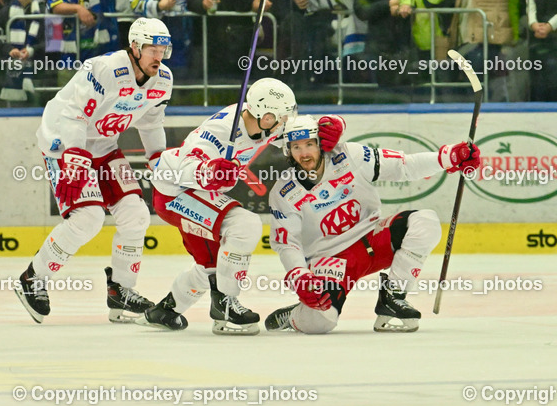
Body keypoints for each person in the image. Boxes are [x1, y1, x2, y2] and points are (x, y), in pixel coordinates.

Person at [15, 17, 173, 324]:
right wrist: (75, 156)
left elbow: (151, 122)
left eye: (164, 48)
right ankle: (33, 278)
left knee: (136, 214)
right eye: (153, 48)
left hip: (102, 143)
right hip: (64, 139)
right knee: (88, 218)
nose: (159, 55)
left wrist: (158, 160)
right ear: (135, 47)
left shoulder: (164, 79)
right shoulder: (105, 69)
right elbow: (74, 114)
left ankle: (121, 291)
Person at [265, 115, 481, 334]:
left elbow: (404, 166)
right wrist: (299, 275)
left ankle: (392, 297)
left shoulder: (349, 155)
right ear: (287, 151)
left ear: (320, 143)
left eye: (310, 144)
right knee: (321, 322)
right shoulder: (284, 192)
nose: (304, 153)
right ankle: (293, 316)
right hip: (329, 259)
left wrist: (448, 157)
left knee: (425, 222)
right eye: (296, 147)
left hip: (373, 238)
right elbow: (287, 242)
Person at [138, 80, 315, 334]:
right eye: (283, 117)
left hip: (199, 192)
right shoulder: (220, 130)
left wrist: (324, 130)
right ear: (265, 117)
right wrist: (209, 171)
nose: (286, 122)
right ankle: (225, 305)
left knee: (210, 266)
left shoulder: (265, 123)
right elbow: (188, 165)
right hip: (177, 192)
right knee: (245, 224)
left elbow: (297, 136)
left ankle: (165, 311)